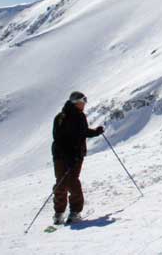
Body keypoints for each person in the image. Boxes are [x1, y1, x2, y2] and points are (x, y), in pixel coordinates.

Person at [51, 91, 104, 225]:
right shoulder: (78, 116)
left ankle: (58, 214)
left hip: (59, 155)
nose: (84, 104)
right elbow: (82, 133)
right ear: (76, 102)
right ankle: (75, 212)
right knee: (72, 181)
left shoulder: (60, 116)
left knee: (61, 181)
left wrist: (95, 132)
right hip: (73, 155)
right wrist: (96, 132)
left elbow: (57, 136)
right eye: (83, 101)